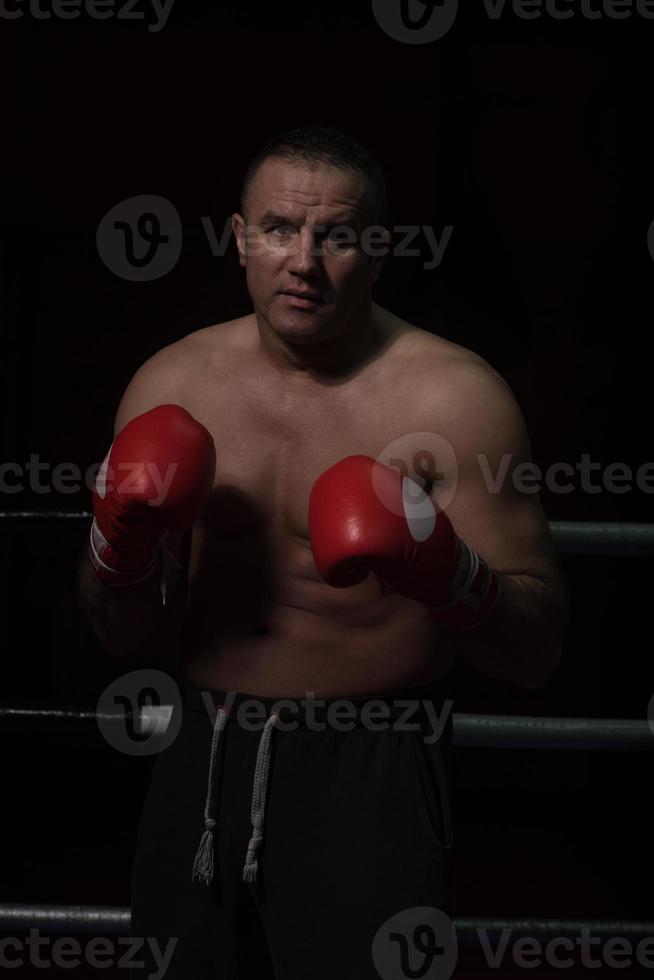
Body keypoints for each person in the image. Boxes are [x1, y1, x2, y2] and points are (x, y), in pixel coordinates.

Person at [79, 125, 567, 979]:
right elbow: (116, 632)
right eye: (278, 230)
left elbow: (537, 650)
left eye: (335, 236)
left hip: (371, 765)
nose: (302, 261)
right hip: (202, 753)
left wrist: (446, 573)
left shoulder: (454, 399)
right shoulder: (173, 383)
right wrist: (114, 546)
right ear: (239, 241)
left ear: (376, 252)